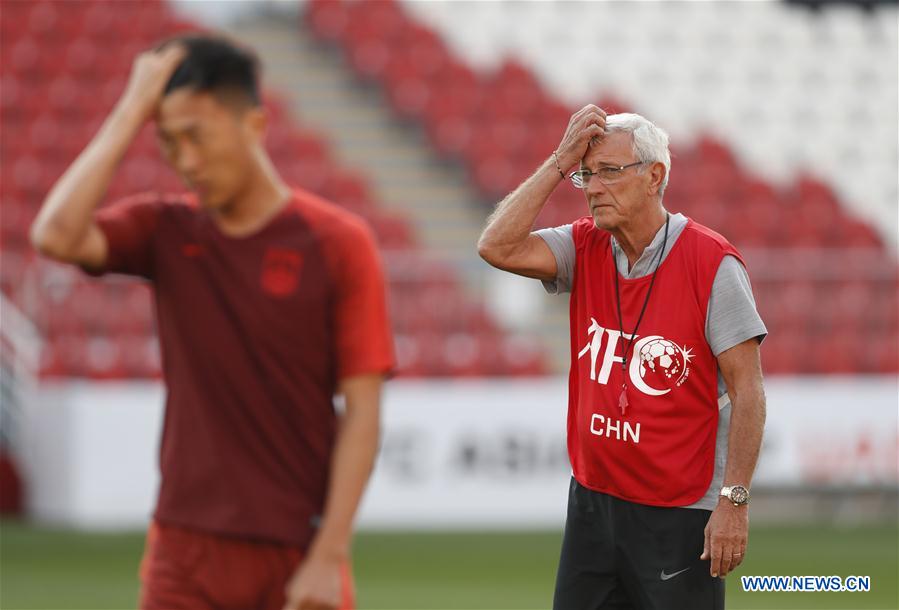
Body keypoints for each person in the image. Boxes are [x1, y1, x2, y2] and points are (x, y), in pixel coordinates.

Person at [30, 35, 394, 610]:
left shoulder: (339, 242)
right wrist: (131, 108)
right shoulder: (166, 229)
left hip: (299, 548)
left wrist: (330, 555)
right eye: (169, 143)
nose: (186, 162)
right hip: (184, 548)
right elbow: (56, 234)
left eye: (197, 135)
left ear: (254, 124)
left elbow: (365, 414)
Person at [478, 106, 767, 609]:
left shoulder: (712, 264)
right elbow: (495, 246)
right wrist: (558, 161)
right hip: (592, 504)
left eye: (609, 172)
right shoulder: (584, 243)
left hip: (676, 515)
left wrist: (734, 503)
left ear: (655, 176)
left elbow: (749, 393)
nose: (592, 188)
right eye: (587, 176)